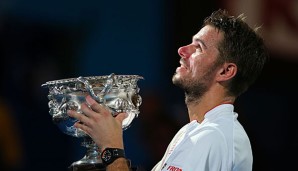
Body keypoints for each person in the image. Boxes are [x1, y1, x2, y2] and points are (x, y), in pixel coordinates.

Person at [67, 9, 268, 171]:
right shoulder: (190, 132)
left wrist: (111, 149)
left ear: (225, 71)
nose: (182, 50)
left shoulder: (215, 136)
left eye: (198, 47)